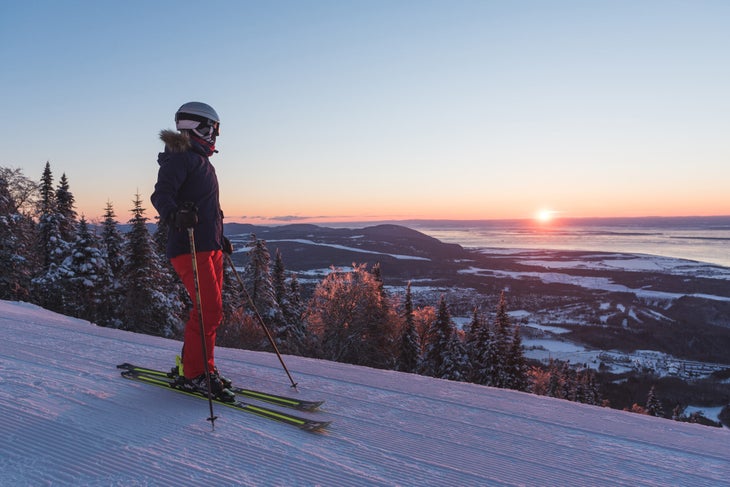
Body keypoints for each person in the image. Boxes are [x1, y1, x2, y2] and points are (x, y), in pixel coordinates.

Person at [151, 101, 234, 402]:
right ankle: (195, 375)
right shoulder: (180, 157)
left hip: (208, 246)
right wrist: (174, 215)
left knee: (209, 313)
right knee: (209, 312)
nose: (215, 135)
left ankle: (198, 368)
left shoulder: (201, 161)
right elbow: (161, 194)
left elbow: (207, 207)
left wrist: (219, 237)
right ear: (198, 126)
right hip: (189, 247)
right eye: (214, 128)